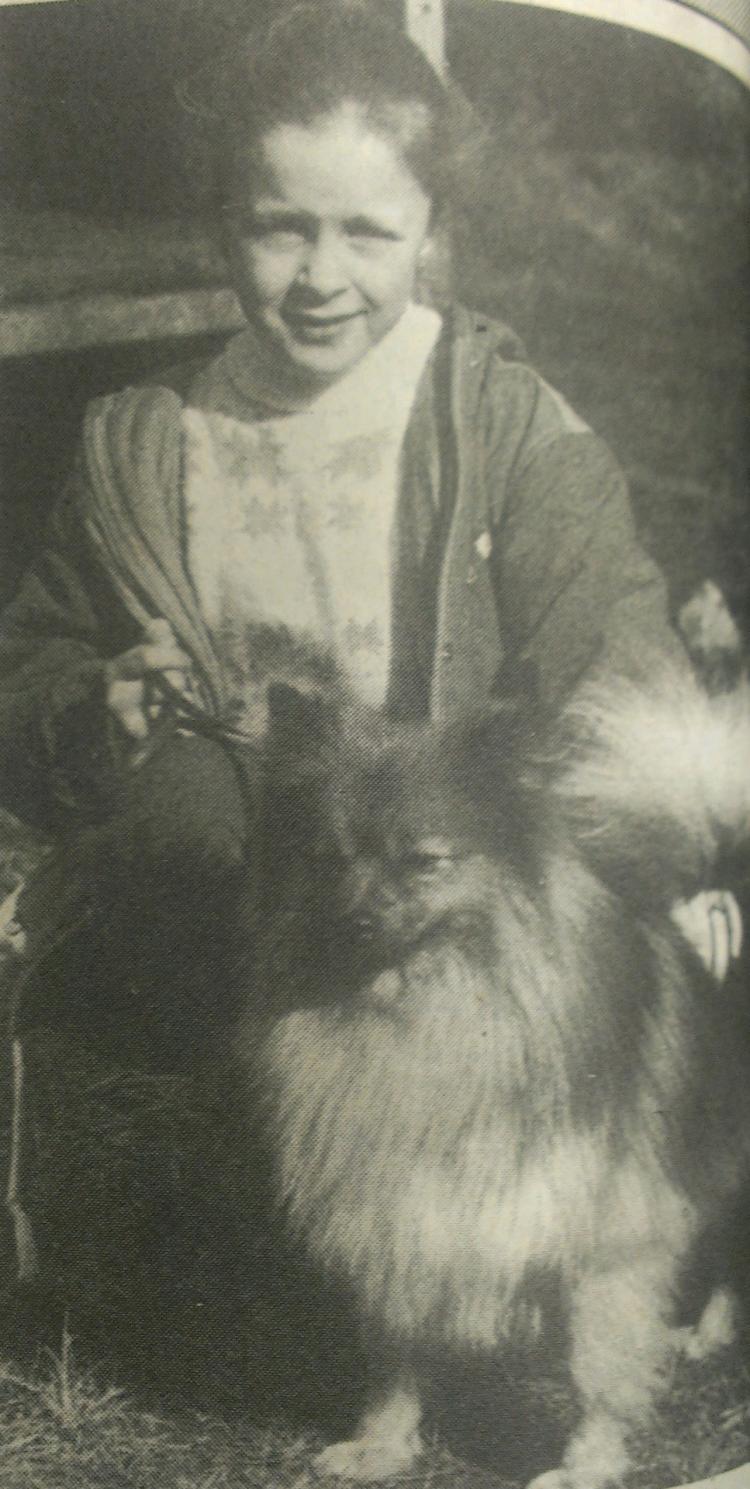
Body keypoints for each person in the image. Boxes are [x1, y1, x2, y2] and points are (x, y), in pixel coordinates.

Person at [0, 0, 738, 1059]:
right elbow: (29, 670)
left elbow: (613, 665)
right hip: (216, 929)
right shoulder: (147, 444)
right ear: (220, 225)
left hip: (438, 940)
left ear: (432, 234)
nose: (321, 277)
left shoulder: (502, 426)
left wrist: (654, 874)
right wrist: (88, 706)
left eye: (369, 233)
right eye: (280, 226)